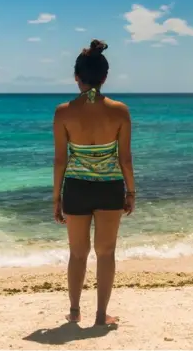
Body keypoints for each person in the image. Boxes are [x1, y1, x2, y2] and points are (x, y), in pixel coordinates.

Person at [52, 39, 136, 326]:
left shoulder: (63, 112)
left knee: (77, 253)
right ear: (105, 77)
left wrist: (56, 198)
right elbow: (125, 159)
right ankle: (101, 315)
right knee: (106, 252)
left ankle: (74, 312)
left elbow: (60, 160)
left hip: (75, 187)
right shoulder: (120, 111)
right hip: (110, 188)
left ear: (77, 77)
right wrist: (131, 192)